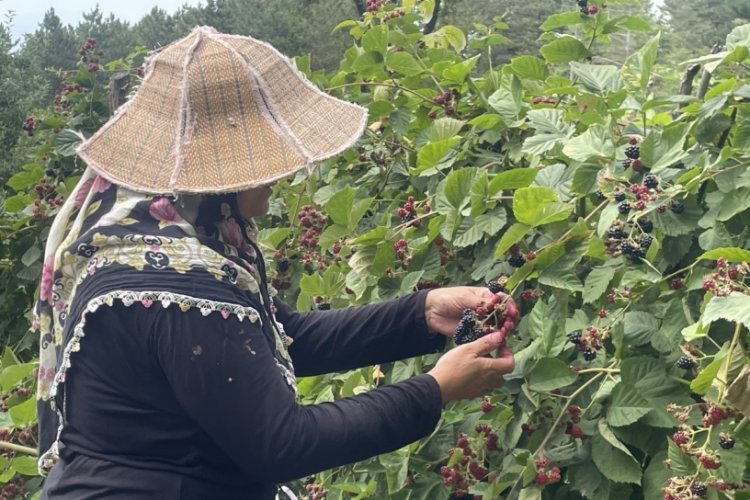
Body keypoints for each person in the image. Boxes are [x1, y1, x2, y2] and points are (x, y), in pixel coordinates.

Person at [35, 26, 516, 499]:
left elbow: (286, 335)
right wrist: (435, 390)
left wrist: (423, 313)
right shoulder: (172, 285)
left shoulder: (165, 243)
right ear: (214, 179)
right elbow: (284, 443)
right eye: (263, 164)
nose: (282, 175)